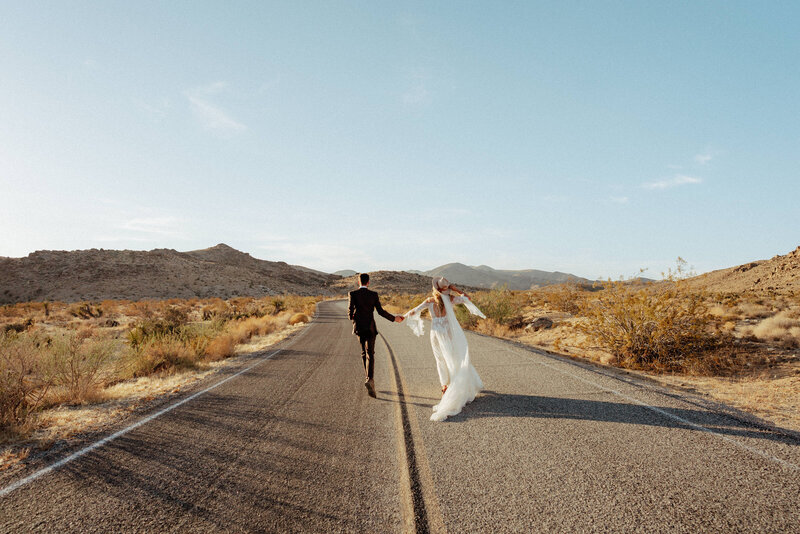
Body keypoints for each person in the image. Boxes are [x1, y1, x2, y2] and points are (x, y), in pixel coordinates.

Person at [403, 277, 486, 421]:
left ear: (435, 288)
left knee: (440, 360)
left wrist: (402, 317)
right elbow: (468, 298)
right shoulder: (451, 299)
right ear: (446, 288)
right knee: (453, 357)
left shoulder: (429, 301)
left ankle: (444, 386)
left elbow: (414, 311)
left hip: (435, 333)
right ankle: (454, 383)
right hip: (448, 333)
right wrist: (455, 289)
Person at [349, 273, 404, 397]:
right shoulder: (373, 295)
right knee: (371, 354)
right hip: (370, 328)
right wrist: (394, 318)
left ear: (359, 282)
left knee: (364, 353)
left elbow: (350, 312)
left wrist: (355, 318)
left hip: (359, 328)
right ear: (368, 282)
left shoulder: (353, 294)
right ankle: (370, 379)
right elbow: (380, 312)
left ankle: (368, 378)